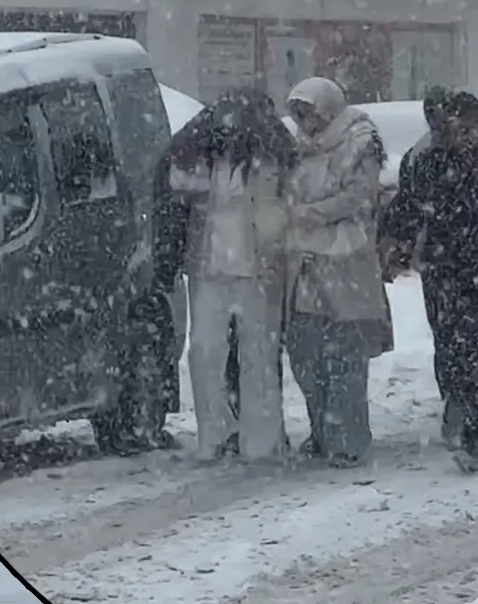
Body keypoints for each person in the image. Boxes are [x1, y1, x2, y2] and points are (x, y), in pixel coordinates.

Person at [152, 89, 296, 462]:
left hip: (258, 269)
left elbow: (289, 206)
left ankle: (261, 441)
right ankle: (214, 435)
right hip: (209, 267)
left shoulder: (273, 158)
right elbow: (174, 186)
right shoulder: (201, 156)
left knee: (258, 354)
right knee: (204, 352)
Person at [283, 76, 393, 468]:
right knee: (307, 356)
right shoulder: (299, 148)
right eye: (299, 115)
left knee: (344, 358)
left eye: (309, 113)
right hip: (305, 265)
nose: (305, 123)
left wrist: (308, 214)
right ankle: (322, 431)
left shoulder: (359, 142)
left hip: (345, 263)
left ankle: (348, 439)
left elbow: (357, 197)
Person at [382, 91, 478, 469]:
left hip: (456, 263)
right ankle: (463, 420)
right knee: (453, 345)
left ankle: (467, 423)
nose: (467, 135)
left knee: (464, 346)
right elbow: (408, 205)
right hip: (446, 266)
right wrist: (397, 242)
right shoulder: (428, 158)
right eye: (461, 128)